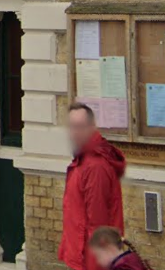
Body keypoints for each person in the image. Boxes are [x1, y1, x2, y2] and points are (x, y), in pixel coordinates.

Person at [59, 102, 126, 270]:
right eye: (72, 127)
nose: (75, 133)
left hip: (89, 259)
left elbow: (98, 224)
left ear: (91, 127)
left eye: (80, 127)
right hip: (81, 253)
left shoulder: (95, 166)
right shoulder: (82, 159)